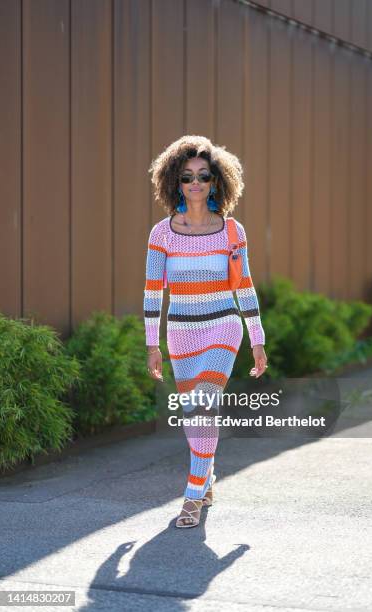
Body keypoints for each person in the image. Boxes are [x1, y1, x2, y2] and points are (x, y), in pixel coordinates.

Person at [144, 135, 268, 528]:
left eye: (203, 176)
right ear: (173, 182)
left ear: (216, 181)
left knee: (203, 402)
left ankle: (193, 494)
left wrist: (257, 337)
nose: (195, 183)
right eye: (186, 177)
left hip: (223, 328)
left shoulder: (232, 232)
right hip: (180, 333)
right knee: (195, 412)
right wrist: (153, 344)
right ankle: (208, 473)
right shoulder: (161, 235)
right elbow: (152, 294)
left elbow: (244, 285)